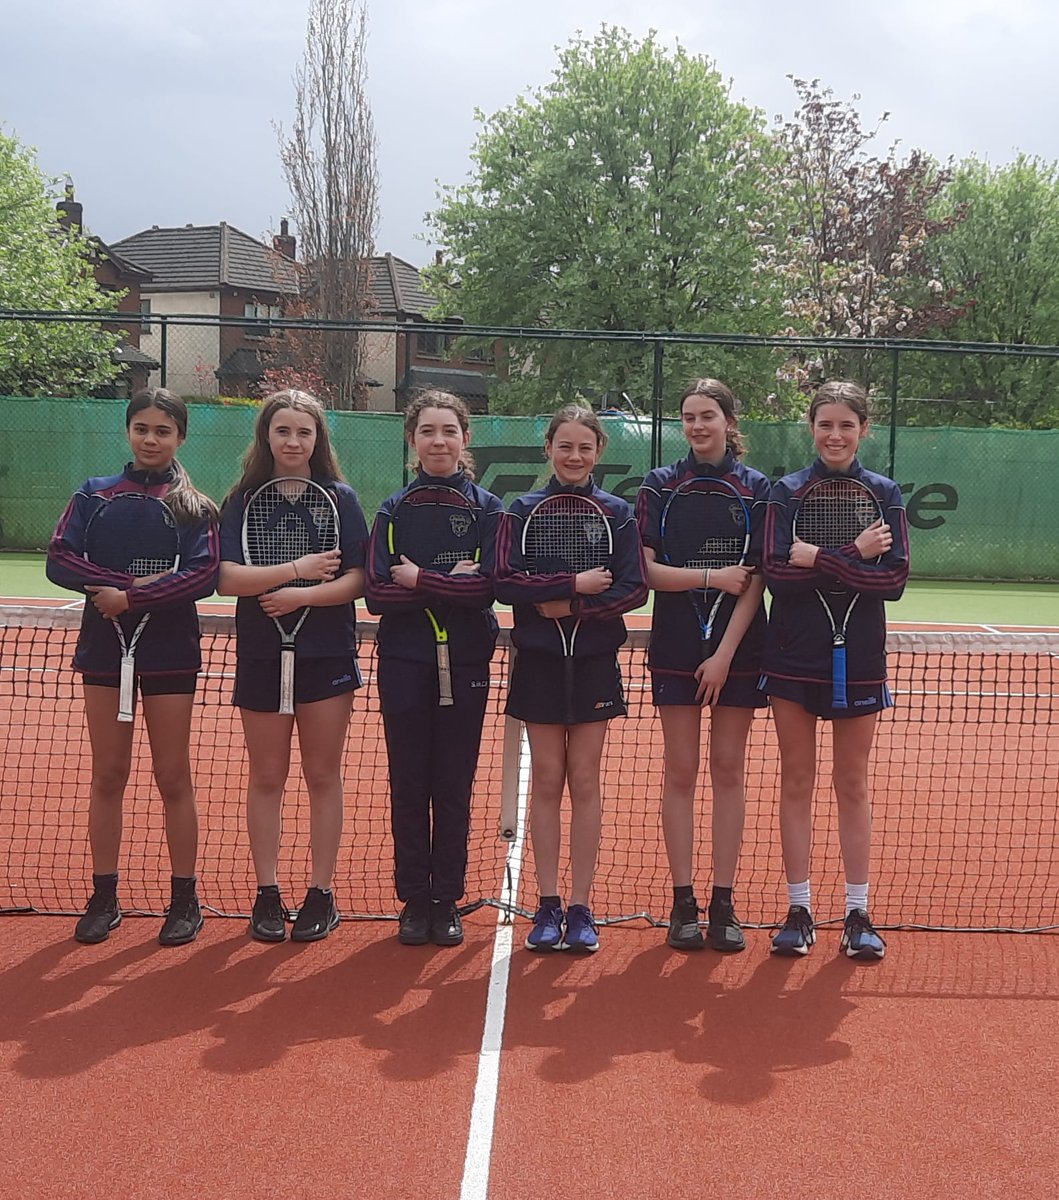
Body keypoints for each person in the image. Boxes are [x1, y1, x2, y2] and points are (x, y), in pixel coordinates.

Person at [46, 388, 220, 946]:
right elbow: (60, 559)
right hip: (104, 650)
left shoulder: (195, 506)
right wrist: (121, 589)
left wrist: (134, 599)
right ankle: (104, 895)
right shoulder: (93, 496)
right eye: (142, 428)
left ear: (180, 438)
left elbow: (202, 575)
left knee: (173, 775)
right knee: (108, 774)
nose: (151, 439)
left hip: (170, 653)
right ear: (128, 432)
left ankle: (184, 898)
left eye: (163, 431)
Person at [761, 380, 909, 960]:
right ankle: (799, 909)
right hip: (793, 653)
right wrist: (853, 555)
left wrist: (820, 556)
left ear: (863, 430)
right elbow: (778, 575)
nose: (835, 435)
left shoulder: (885, 494)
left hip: (862, 657)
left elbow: (892, 582)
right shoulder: (786, 492)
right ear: (811, 427)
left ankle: (857, 913)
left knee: (852, 783)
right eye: (826, 424)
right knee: (796, 780)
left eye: (847, 425)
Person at [495, 405, 647, 953]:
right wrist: (569, 586)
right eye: (565, 445)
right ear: (549, 449)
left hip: (593, 665)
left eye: (585, 447)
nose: (575, 455)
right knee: (547, 782)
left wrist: (572, 606)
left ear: (598, 452)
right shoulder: (521, 511)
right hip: (537, 664)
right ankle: (548, 901)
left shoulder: (617, 514)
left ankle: (582, 907)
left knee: (584, 781)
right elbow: (506, 583)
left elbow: (634, 589)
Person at [218, 389, 367, 943]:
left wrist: (302, 596)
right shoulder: (243, 499)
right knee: (267, 776)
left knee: (323, 775)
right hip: (261, 652)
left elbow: (358, 580)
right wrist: (298, 569)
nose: (293, 441)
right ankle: (267, 892)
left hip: (325, 652)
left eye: (304, 432)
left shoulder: (340, 498)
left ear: (317, 439)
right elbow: (228, 579)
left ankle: (321, 891)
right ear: (267, 437)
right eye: (283, 431)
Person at [365, 391, 502, 948]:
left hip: (465, 663)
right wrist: (454, 580)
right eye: (428, 431)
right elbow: (376, 593)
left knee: (453, 786)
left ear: (465, 438)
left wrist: (420, 579)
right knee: (409, 783)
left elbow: (489, 589)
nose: (439, 440)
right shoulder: (392, 511)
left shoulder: (490, 511)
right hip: (403, 664)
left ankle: (446, 898)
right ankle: (413, 900)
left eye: (449, 430)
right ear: (412, 439)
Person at [637, 379, 770, 953]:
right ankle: (682, 900)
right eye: (689, 416)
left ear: (728, 420)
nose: (697, 425)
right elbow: (648, 573)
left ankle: (723, 901)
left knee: (728, 769)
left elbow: (757, 579)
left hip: (737, 650)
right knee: (681, 770)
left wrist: (722, 655)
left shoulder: (757, 487)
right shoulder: (660, 486)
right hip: (672, 641)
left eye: (707, 415)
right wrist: (710, 577)